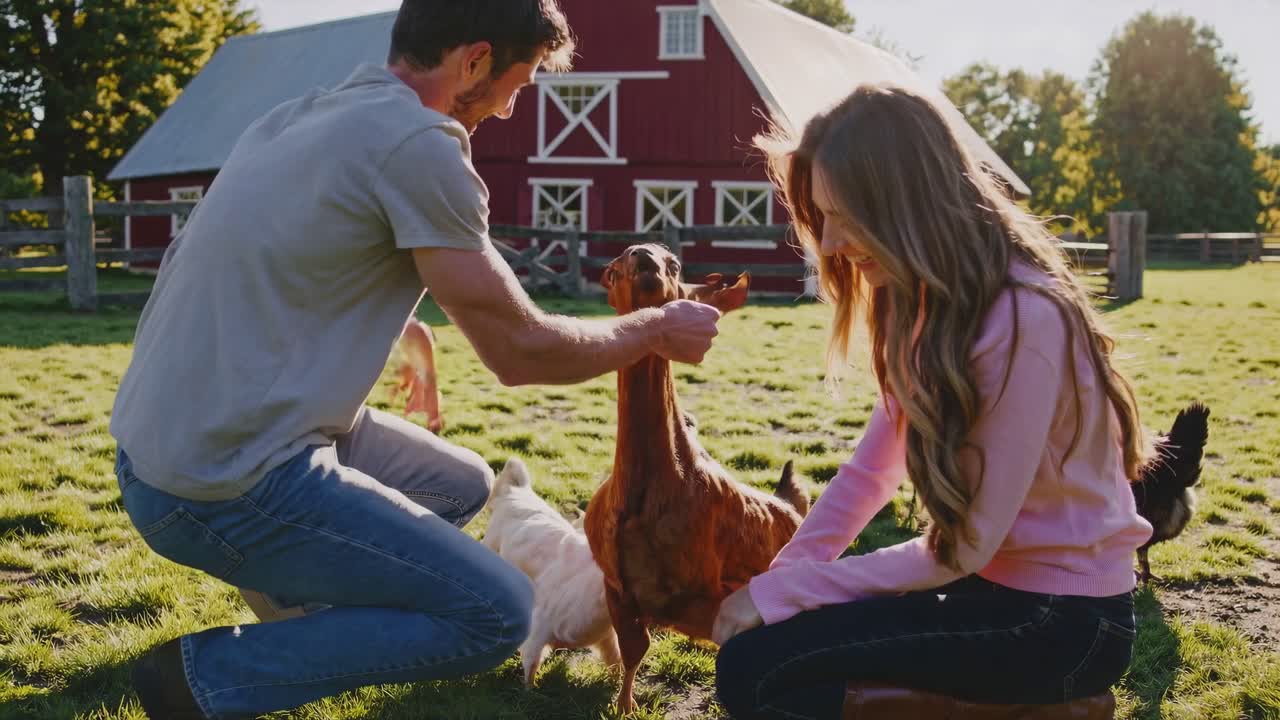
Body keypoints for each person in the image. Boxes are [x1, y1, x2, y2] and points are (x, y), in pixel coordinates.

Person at [111, 2, 723, 718]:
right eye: (516, 86)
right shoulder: (421, 144)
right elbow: (518, 350)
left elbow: (282, 259)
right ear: (473, 62)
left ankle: (293, 610)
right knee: (500, 610)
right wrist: (652, 330)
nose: (505, 110)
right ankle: (209, 676)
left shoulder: (299, 117)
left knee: (461, 483)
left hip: (157, 448)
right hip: (222, 479)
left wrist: (412, 334)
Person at [711, 85, 1154, 719]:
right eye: (820, 217)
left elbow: (965, 545)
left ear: (907, 204)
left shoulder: (1025, 316)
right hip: (985, 588)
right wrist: (780, 583)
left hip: (1065, 623)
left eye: (843, 214)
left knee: (760, 676)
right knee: (754, 663)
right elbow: (871, 473)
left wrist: (797, 591)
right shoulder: (918, 302)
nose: (829, 242)